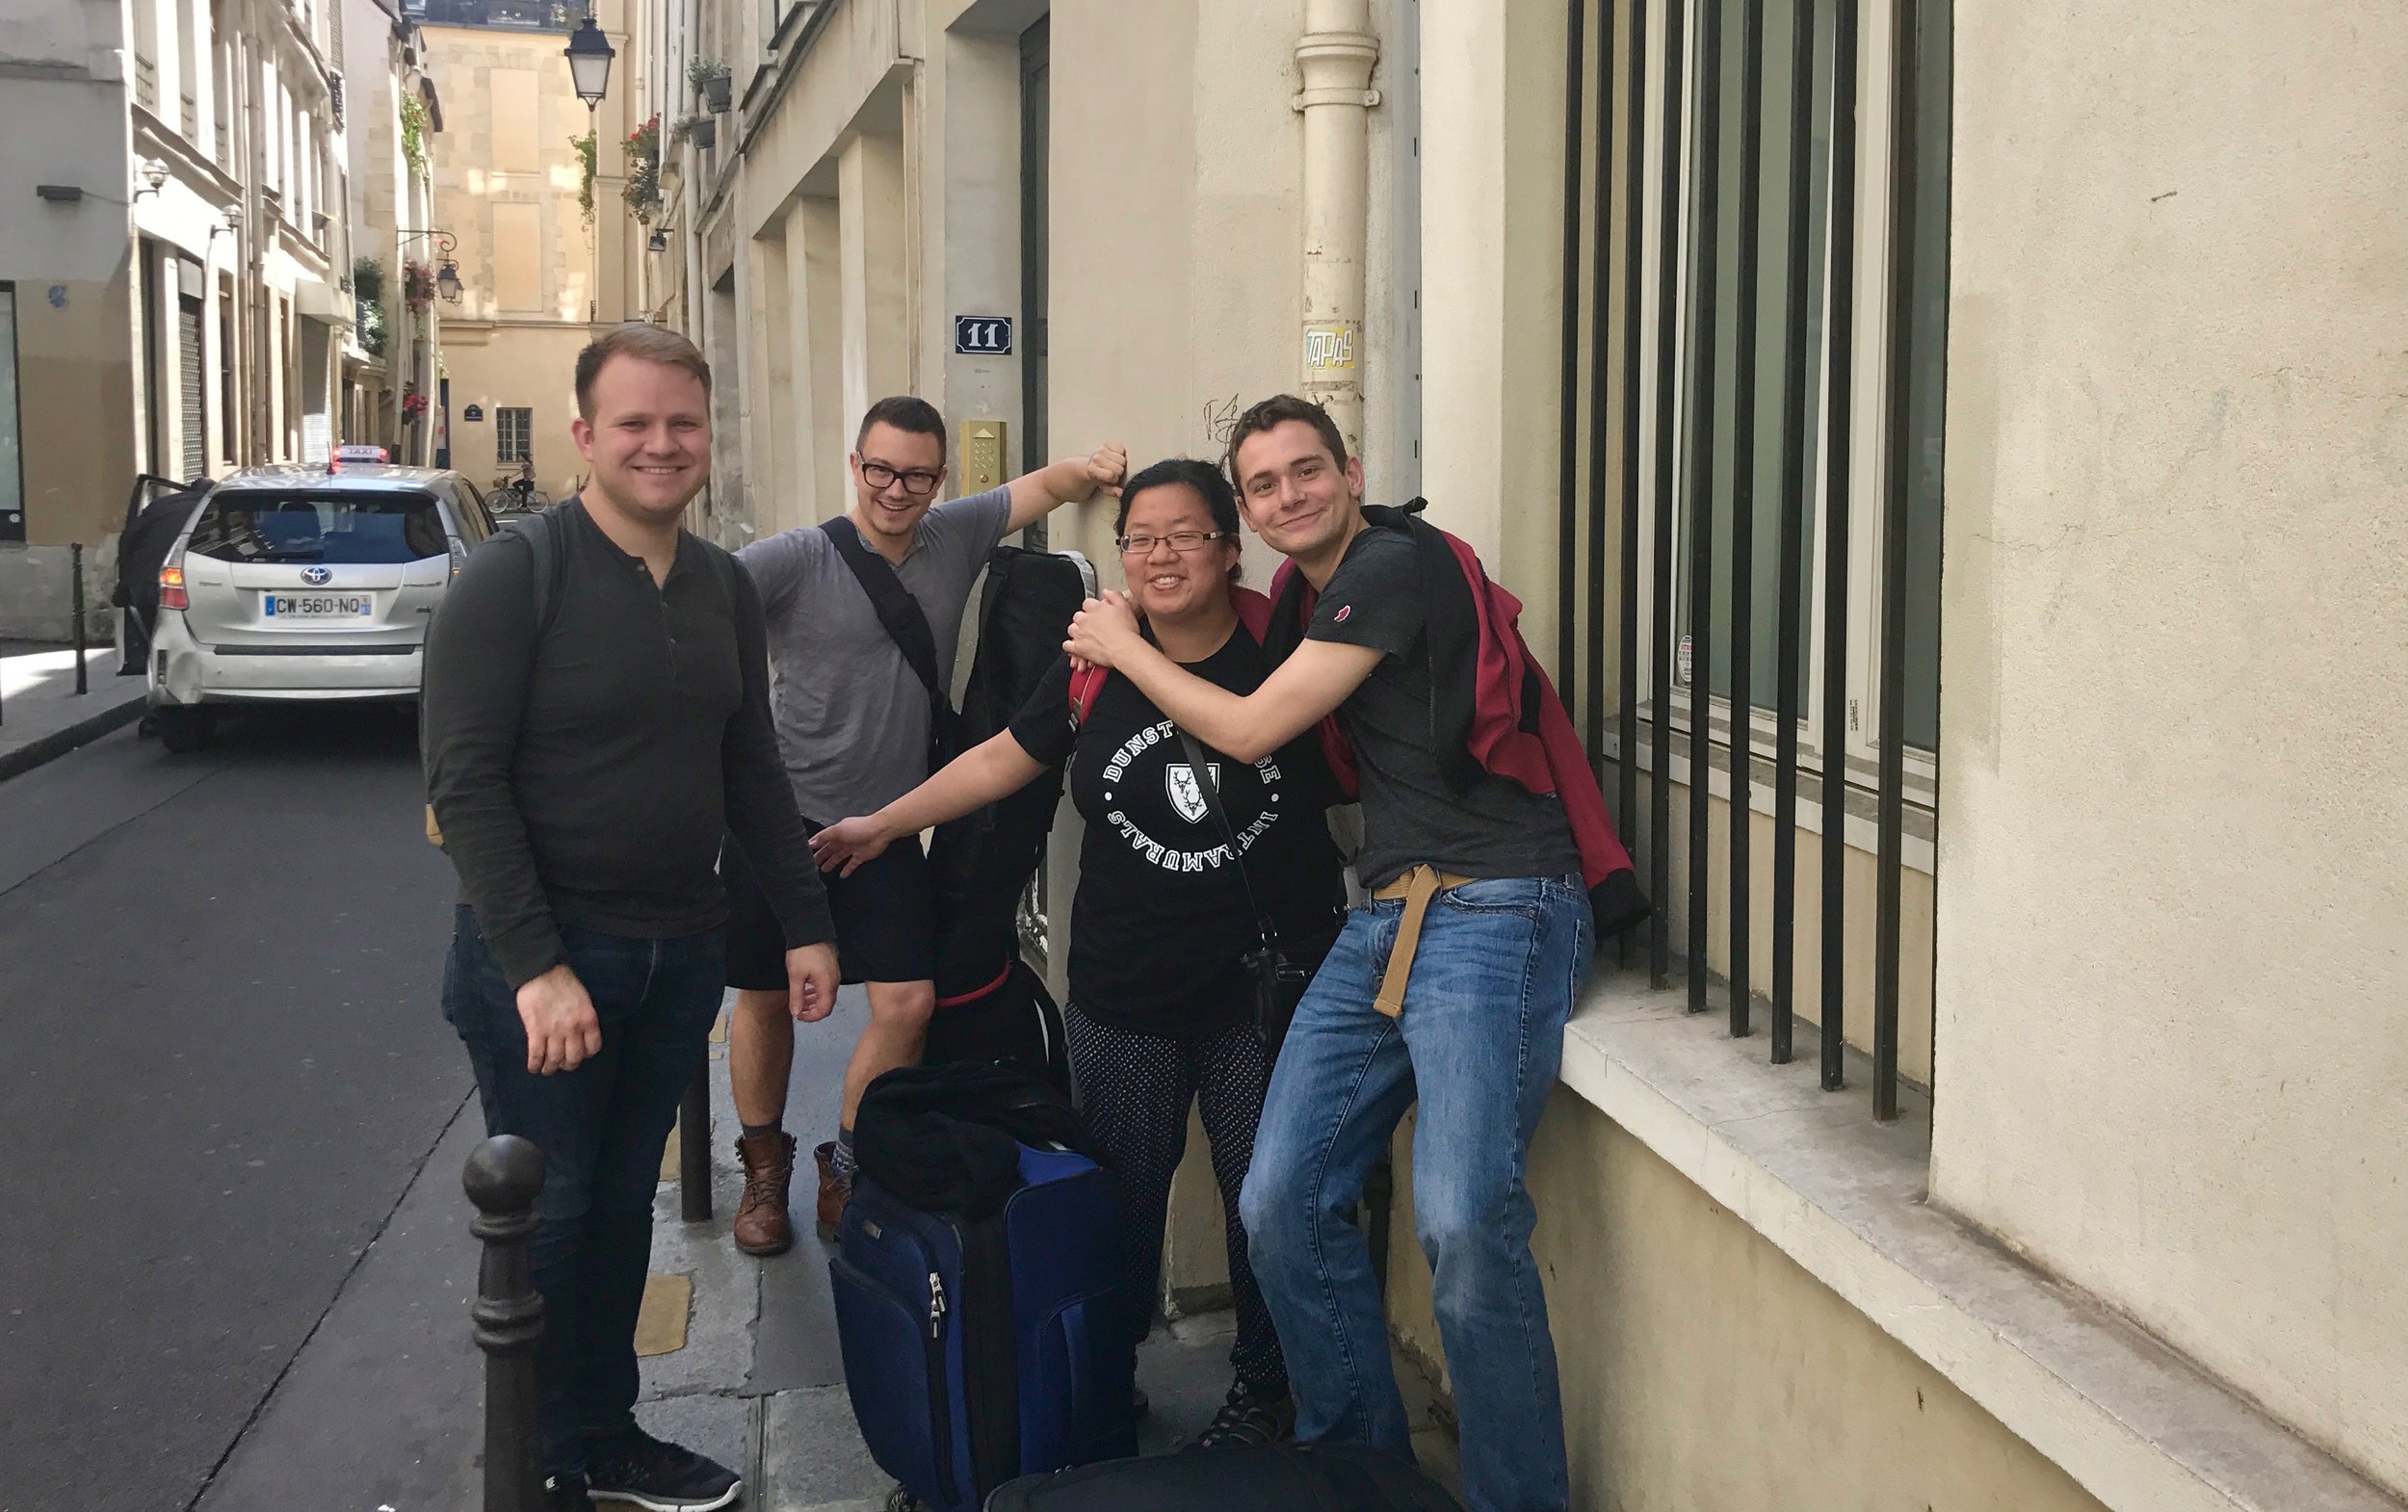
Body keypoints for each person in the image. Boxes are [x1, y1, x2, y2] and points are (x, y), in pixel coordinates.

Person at [1062, 397, 1639, 1512]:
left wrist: (1125, 642)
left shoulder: (1385, 565)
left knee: (1464, 1220)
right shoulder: (1296, 598)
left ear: (1351, 471)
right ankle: (1357, 1466)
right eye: (1265, 483)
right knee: (1281, 1197)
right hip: (1387, 916)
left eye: (1305, 470)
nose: (1289, 495)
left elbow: (1245, 728)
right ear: (1252, 510)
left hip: (1499, 905)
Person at [815, 457, 1346, 1447]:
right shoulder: (1093, 664)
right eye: (1139, 536)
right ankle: (1097, 1382)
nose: (1158, 554)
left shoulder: (1285, 651)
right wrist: (884, 822)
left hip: (1259, 996)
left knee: (1261, 1208)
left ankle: (1263, 1389)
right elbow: (1002, 759)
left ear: (1231, 549)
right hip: (1123, 991)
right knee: (1120, 1210)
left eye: (1184, 533)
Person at [424, 324, 841, 1512]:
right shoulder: (519, 574)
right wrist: (535, 966)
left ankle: (602, 1438)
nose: (663, 445)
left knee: (616, 1215)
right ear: (584, 437)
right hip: (554, 962)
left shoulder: (719, 584)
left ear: (708, 436)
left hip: (679, 953)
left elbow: (749, 761)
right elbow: (464, 781)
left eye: (683, 424)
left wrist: (802, 920)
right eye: (636, 424)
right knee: (548, 1219)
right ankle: (541, 1465)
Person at [720, 396, 1127, 1255]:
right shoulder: (795, 558)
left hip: (890, 826)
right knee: (762, 997)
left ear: (939, 478)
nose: (895, 490)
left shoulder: (956, 534)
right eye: (880, 470)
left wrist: (1092, 473)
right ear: (856, 463)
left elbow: (1039, 489)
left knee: (906, 1002)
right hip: (780, 822)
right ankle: (764, 1174)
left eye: (914, 474)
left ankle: (852, 1159)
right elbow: (696, 608)